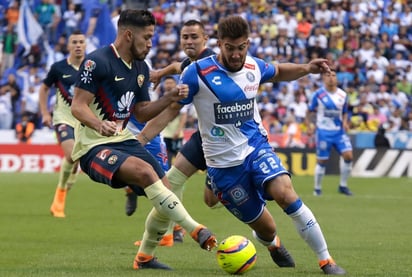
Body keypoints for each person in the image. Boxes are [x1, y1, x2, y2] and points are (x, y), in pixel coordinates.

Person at [138, 15, 346, 275]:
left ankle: (326, 261)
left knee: (286, 194)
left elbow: (279, 71)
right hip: (223, 168)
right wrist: (141, 141)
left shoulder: (253, 67)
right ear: (219, 44)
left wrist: (307, 68)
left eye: (241, 48)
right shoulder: (197, 73)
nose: (236, 55)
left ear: (247, 44)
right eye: (229, 48)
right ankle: (272, 243)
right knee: (267, 228)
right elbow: (170, 111)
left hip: (255, 149)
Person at [70, 9, 216, 270]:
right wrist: (98, 123)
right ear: (128, 35)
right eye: (147, 38)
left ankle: (145, 257)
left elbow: (141, 111)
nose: (151, 44)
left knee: (165, 190)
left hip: (123, 139)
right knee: (145, 172)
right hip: (92, 147)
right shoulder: (97, 62)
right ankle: (196, 229)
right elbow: (78, 107)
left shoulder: (140, 67)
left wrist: (169, 99)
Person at [130, 19, 219, 245]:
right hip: (205, 138)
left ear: (205, 39)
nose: (189, 41)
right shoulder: (192, 63)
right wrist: (161, 72)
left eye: (194, 37)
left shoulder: (212, 62)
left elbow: (172, 110)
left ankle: (271, 239)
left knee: (213, 201)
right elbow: (179, 66)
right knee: (169, 182)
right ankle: (168, 234)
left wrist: (140, 139)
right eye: (185, 37)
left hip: (226, 141)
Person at [39, 30, 87, 218]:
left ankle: (69, 180)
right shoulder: (58, 68)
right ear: (68, 46)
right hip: (63, 118)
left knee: (74, 160)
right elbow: (43, 89)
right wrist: (44, 112)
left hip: (84, 121)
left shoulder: (93, 67)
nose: (77, 45)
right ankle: (60, 195)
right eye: (74, 42)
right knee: (71, 154)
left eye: (81, 42)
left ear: (85, 45)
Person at [306, 69, 353, 197]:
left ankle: (343, 186)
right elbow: (309, 111)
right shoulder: (318, 94)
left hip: (339, 132)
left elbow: (344, 112)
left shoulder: (343, 95)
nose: (331, 77)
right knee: (322, 161)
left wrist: (345, 122)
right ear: (323, 78)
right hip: (323, 132)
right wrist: (309, 126)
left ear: (336, 78)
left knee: (348, 156)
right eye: (328, 75)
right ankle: (317, 189)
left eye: (333, 75)